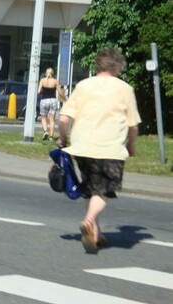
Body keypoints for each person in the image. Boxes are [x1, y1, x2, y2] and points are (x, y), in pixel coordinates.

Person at [57, 47, 141, 254]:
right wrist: (131, 146)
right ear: (118, 66)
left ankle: (96, 233)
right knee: (104, 190)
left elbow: (64, 117)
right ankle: (88, 220)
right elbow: (133, 126)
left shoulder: (83, 86)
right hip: (110, 146)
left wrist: (62, 137)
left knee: (91, 187)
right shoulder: (125, 89)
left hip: (82, 146)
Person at [37, 67, 65, 141]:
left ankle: (45, 131)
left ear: (46, 73)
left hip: (44, 100)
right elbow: (60, 92)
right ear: (53, 74)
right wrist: (65, 98)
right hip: (53, 100)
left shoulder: (42, 80)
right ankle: (51, 137)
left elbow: (39, 91)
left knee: (43, 118)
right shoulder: (55, 81)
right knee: (52, 120)